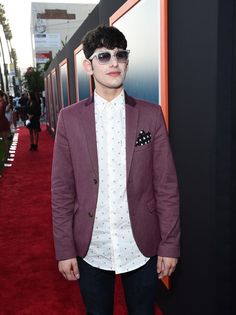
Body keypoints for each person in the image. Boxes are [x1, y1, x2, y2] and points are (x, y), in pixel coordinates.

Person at [51, 25, 180, 315]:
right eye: (104, 56)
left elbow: (166, 186)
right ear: (88, 65)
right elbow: (61, 190)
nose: (114, 63)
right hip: (91, 246)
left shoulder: (150, 114)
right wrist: (65, 249)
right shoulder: (69, 119)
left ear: (127, 61)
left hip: (141, 246)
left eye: (120, 55)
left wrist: (170, 244)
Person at [0, 90, 10, 163]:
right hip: (3, 120)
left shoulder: (2, 102)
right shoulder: (2, 101)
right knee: (4, 140)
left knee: (5, 140)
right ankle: (7, 154)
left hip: (2, 121)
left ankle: (6, 156)